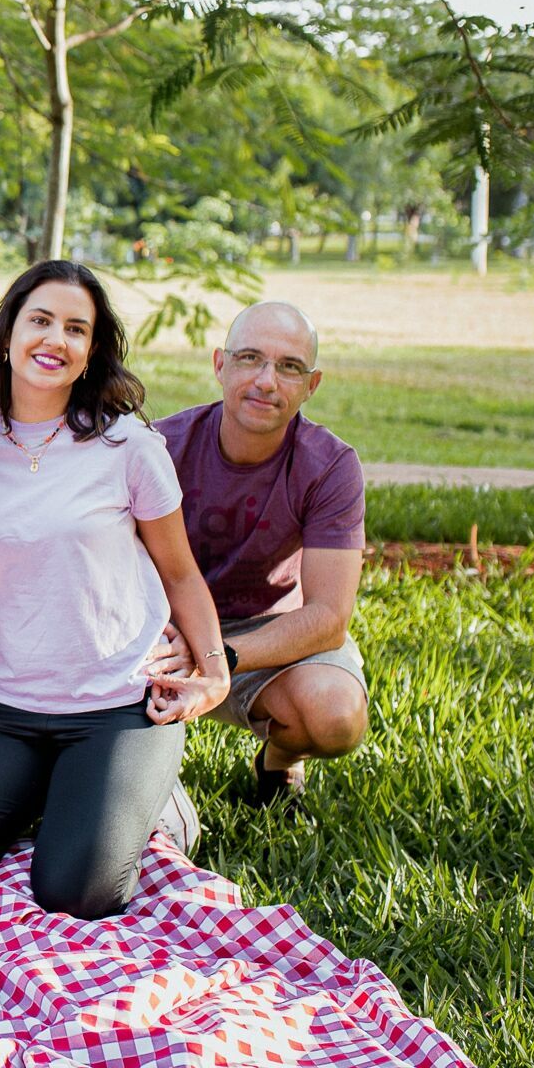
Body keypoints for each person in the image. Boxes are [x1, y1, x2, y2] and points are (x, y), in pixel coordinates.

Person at [0, 260, 229, 919]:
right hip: (9, 701)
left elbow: (180, 570)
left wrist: (213, 673)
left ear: (92, 350)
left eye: (77, 328)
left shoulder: (129, 446)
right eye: (40, 320)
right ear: (8, 333)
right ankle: (59, 787)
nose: (55, 339)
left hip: (122, 698)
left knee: (76, 892)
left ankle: (149, 790)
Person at [157, 301, 367, 804]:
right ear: (219, 365)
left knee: (334, 715)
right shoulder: (159, 446)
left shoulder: (330, 466)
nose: (267, 381)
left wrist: (213, 658)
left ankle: (280, 761)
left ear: (311, 385)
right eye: (249, 358)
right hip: (162, 624)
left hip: (264, 636)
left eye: (290, 367)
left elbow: (328, 618)